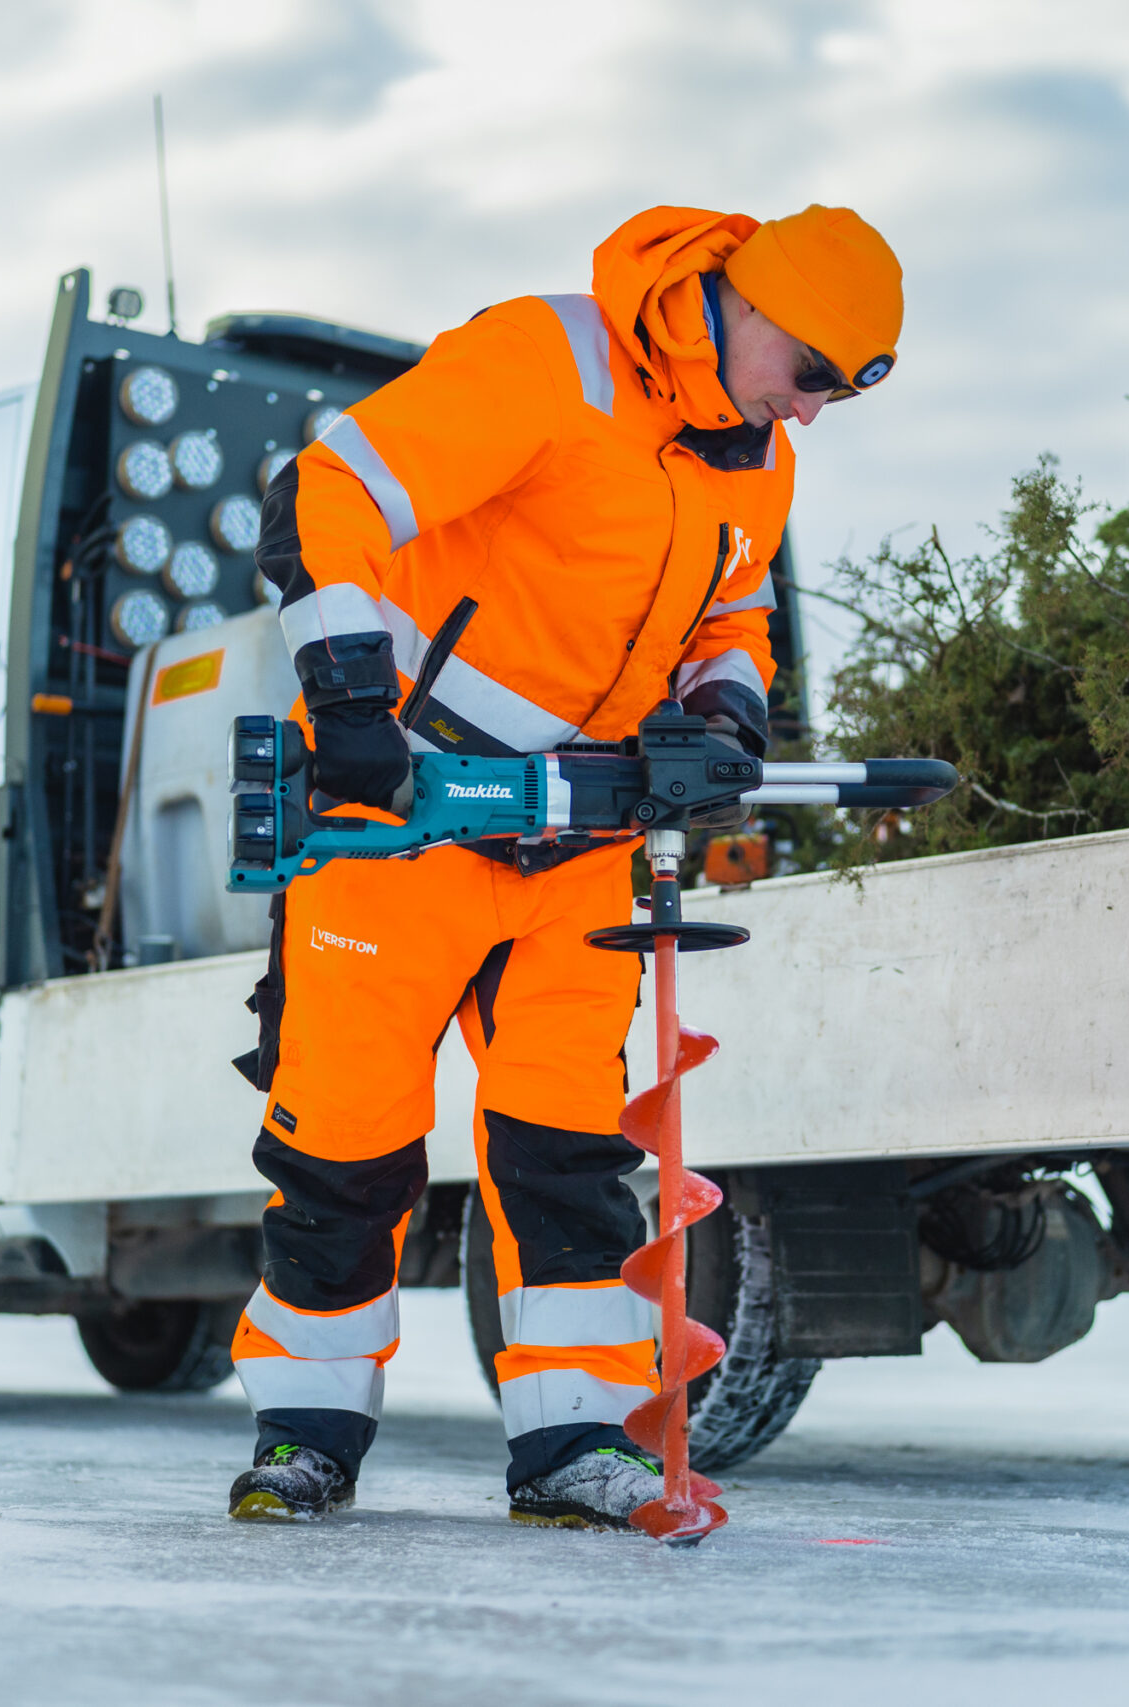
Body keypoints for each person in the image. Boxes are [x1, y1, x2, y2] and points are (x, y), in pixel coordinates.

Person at [227, 203, 903, 1529]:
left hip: (583, 842)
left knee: (570, 1160)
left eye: (836, 396)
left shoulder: (756, 456)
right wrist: (350, 700)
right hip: (400, 818)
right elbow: (324, 497)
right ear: (753, 310)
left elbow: (732, 610)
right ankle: (304, 1437)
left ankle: (575, 1448)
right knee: (344, 1149)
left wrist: (724, 717)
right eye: (812, 375)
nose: (812, 413)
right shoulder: (546, 361)